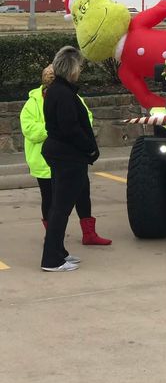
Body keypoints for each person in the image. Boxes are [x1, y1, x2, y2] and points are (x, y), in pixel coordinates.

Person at [20, 63, 111, 248]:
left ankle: (89, 234)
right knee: (51, 201)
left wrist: (66, 129)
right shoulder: (32, 103)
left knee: (82, 195)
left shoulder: (72, 97)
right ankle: (53, 239)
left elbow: (86, 118)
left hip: (73, 158)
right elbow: (29, 130)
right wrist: (55, 129)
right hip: (44, 163)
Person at [40, 46, 109, 272]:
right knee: (60, 208)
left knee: (60, 206)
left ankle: (59, 252)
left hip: (62, 154)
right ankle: (52, 259)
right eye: (78, 66)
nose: (80, 70)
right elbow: (70, 128)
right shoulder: (63, 94)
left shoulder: (57, 91)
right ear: (71, 69)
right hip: (67, 156)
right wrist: (90, 149)